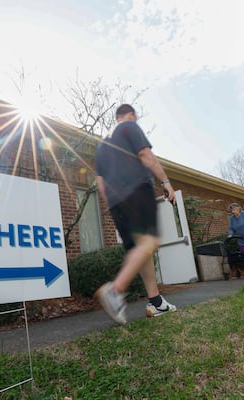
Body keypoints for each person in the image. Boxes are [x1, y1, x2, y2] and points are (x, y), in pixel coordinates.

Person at [94, 104, 177, 324]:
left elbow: (99, 182)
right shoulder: (129, 126)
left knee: (141, 250)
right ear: (129, 115)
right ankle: (115, 290)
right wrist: (166, 181)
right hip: (137, 190)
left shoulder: (101, 144)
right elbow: (145, 154)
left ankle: (155, 302)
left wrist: (111, 204)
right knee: (149, 241)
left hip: (115, 202)